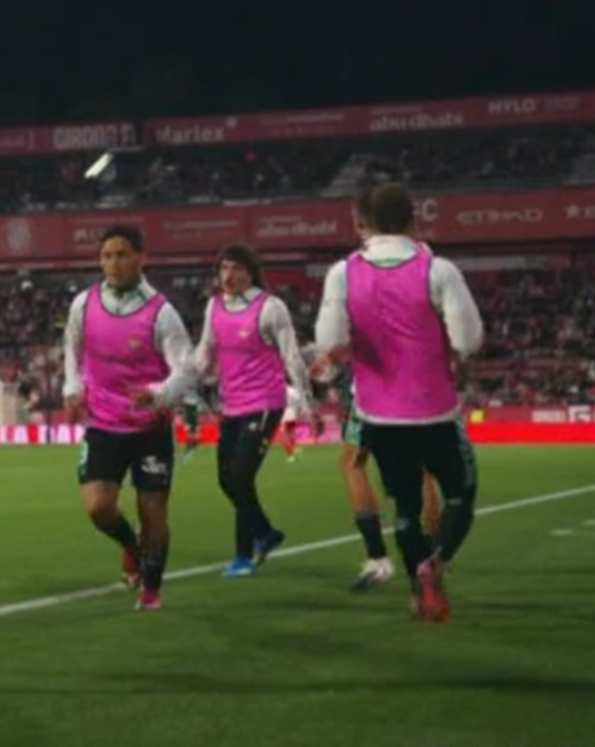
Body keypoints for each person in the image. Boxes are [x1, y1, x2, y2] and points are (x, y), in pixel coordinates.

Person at [315, 183, 484, 622]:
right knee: (460, 497)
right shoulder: (438, 269)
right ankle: (436, 565)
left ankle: (419, 593)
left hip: (377, 414)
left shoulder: (342, 273)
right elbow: (469, 340)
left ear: (359, 225)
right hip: (434, 412)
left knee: (406, 507)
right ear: (414, 221)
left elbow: (330, 340)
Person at [62, 225, 198, 611]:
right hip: (103, 423)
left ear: (142, 257)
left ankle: (152, 590)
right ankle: (130, 545)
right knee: (98, 508)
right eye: (106, 256)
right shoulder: (84, 304)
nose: (113, 263)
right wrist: (72, 390)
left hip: (149, 428)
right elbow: (72, 347)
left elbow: (185, 370)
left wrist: (158, 395)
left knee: (153, 510)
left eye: (121, 255)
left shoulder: (162, 313)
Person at [190, 244, 312, 576]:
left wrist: (303, 398)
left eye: (235, 269)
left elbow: (291, 356)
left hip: (264, 403)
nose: (227, 276)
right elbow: (204, 354)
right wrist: (182, 380)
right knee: (226, 480)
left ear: (250, 272)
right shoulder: (214, 308)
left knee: (241, 477)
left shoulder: (270, 308)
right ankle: (266, 533)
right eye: (223, 269)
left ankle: (243, 556)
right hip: (230, 405)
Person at [335, 378, 443, 591]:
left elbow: (335, 347)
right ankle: (432, 555)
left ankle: (377, 558)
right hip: (419, 388)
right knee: (421, 468)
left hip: (372, 392)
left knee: (353, 464)